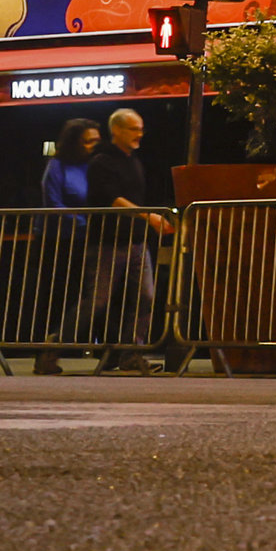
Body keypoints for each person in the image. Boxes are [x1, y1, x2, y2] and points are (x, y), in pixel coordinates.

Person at [83, 108, 162, 370]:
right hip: (108, 241)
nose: (139, 134)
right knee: (97, 301)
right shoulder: (102, 161)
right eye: (133, 128)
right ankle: (53, 347)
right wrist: (148, 216)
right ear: (116, 130)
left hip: (136, 242)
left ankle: (132, 353)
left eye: (141, 129)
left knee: (145, 297)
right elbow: (112, 198)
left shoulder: (134, 161)